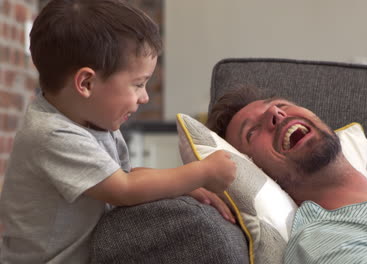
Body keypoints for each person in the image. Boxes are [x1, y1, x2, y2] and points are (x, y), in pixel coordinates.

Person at [0, 0, 236, 263]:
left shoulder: (93, 121)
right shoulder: (52, 134)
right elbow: (123, 188)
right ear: (86, 83)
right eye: (138, 84)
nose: (144, 97)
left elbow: (123, 176)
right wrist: (201, 173)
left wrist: (184, 186)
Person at [206, 86, 367, 264]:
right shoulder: (322, 234)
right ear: (256, 170)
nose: (275, 113)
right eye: (251, 132)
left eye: (280, 105)